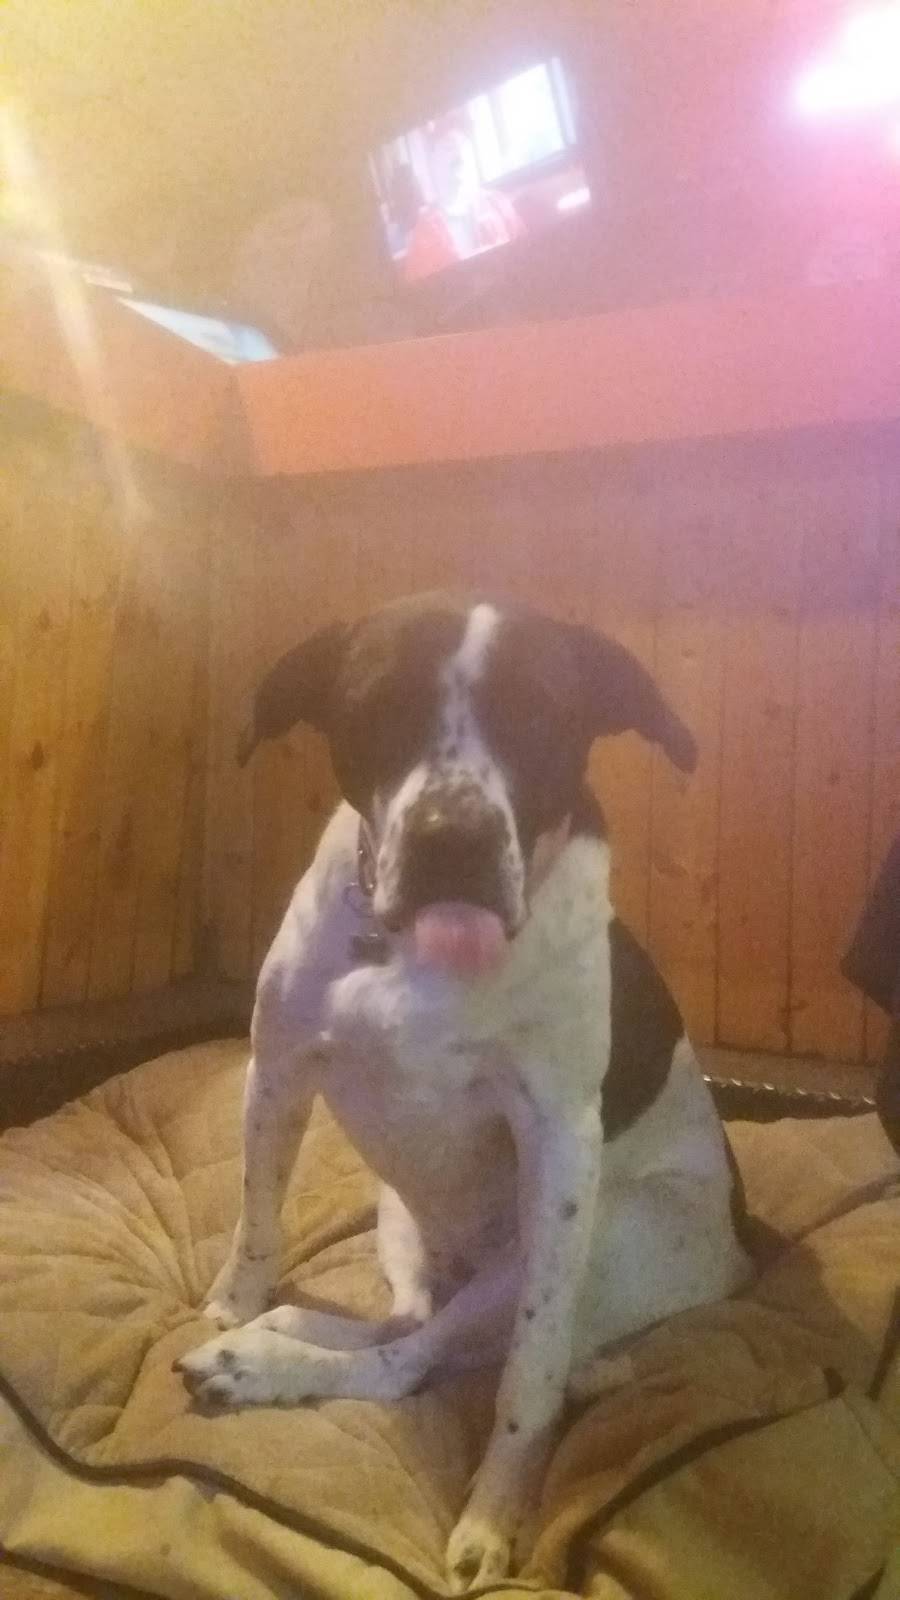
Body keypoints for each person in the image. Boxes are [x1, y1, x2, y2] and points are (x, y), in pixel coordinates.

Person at [403, 115, 524, 282]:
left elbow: (527, 259)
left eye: (465, 147)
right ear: (432, 161)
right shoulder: (423, 236)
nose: (459, 158)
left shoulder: (498, 204)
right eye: (448, 148)